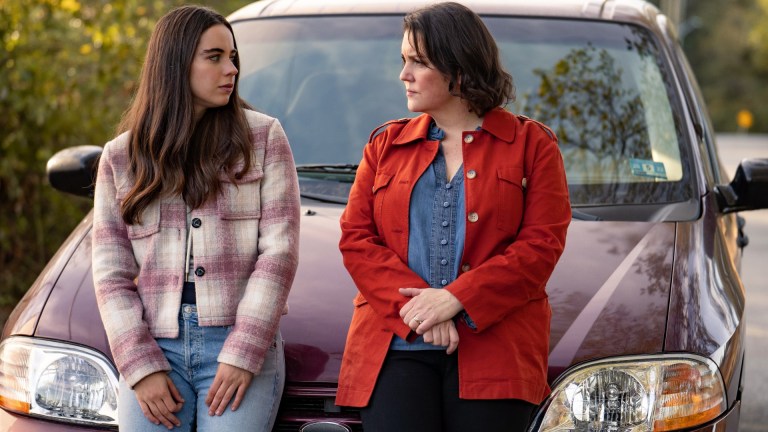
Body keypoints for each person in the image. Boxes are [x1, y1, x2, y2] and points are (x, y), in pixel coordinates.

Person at [335, 2, 571, 431]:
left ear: (459, 70)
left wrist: (457, 297)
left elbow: (541, 247)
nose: (402, 75)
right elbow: (356, 239)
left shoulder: (533, 145)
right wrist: (426, 310)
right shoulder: (384, 145)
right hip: (395, 345)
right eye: (403, 60)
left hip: (497, 350)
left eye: (417, 62)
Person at [91, 5, 300, 431]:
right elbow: (110, 273)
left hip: (237, 341)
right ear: (175, 63)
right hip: (155, 347)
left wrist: (244, 352)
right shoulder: (120, 158)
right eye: (215, 57)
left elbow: (279, 253)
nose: (231, 69)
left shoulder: (263, 138)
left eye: (233, 57)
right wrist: (140, 365)